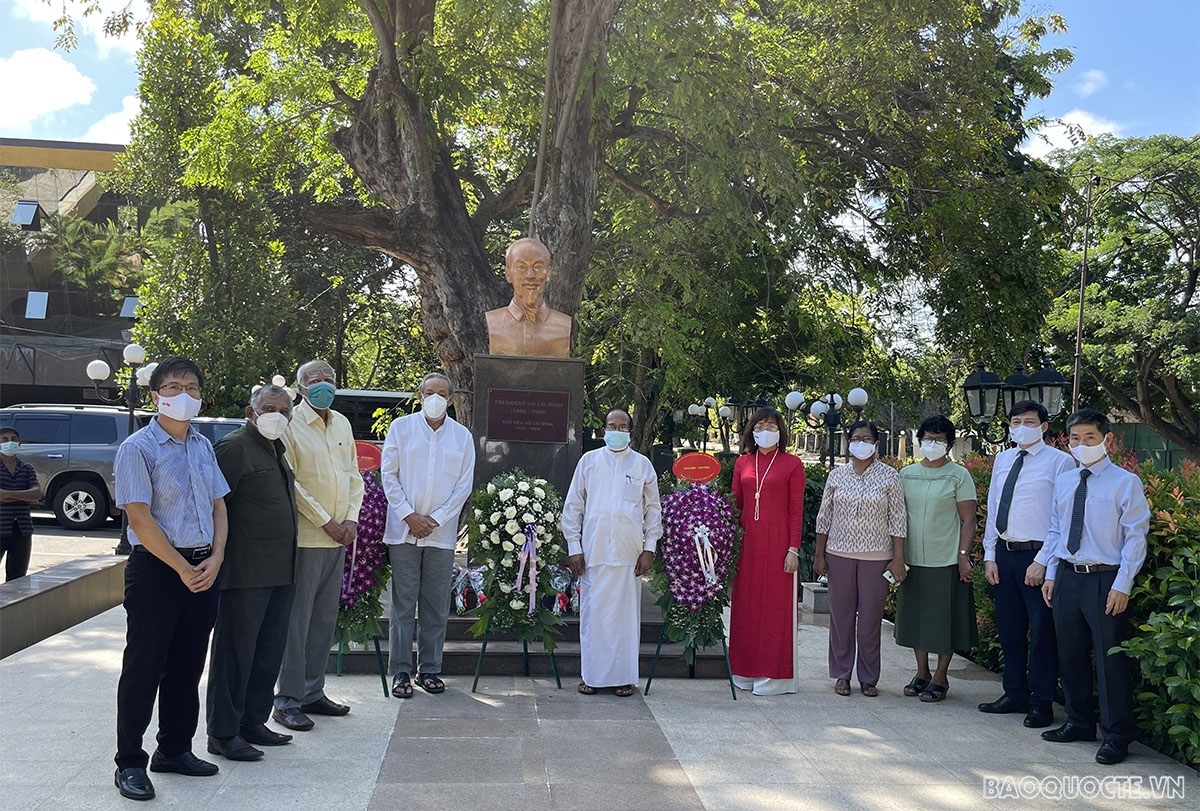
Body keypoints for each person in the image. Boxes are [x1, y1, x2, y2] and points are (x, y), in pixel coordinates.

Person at [112, 357, 230, 801]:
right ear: (156, 394)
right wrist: (181, 567)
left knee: (187, 663)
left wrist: (216, 557)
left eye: (193, 387)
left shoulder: (202, 445)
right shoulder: (137, 448)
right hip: (159, 570)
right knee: (144, 666)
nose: (184, 394)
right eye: (174, 386)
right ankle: (129, 763)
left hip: (204, 567)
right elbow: (140, 519)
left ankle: (175, 749)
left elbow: (219, 505)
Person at [1026, 408, 1150, 765]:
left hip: (1104, 578)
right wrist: (1050, 574)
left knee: (1110, 659)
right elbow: (1055, 529)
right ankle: (1079, 722)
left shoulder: (1125, 483)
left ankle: (1116, 735)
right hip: (1066, 575)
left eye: (1090, 438)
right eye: (1076, 439)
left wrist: (1122, 583)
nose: (1082, 445)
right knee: (1071, 654)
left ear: (1106, 440)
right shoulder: (1065, 480)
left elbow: (1135, 538)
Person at [207, 385, 299, 762]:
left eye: (283, 409)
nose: (276, 414)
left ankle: (252, 721)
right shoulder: (233, 448)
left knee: (267, 651)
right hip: (244, 571)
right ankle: (223, 732)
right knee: (235, 653)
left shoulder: (275, 447)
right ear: (251, 411)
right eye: (268, 407)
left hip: (280, 569)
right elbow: (214, 507)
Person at [273, 360, 364, 732]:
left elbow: (354, 475)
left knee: (324, 620)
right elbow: (291, 482)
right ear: (301, 387)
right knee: (297, 622)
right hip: (308, 538)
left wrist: (352, 520)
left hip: (340, 537)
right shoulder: (290, 424)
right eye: (314, 380)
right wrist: (326, 522)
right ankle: (287, 699)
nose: (323, 384)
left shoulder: (340, 422)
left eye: (328, 378)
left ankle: (313, 691)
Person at [978, 400, 1074, 728]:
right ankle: (1014, 692)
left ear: (1044, 426)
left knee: (1043, 632)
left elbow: (1061, 516)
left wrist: (1043, 561)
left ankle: (1041, 701)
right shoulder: (1003, 459)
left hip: (1038, 558)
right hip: (1005, 554)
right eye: (1015, 421)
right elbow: (994, 508)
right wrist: (990, 555)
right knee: (1010, 629)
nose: (1021, 427)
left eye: (1029, 421)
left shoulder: (1061, 463)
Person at [380, 372, 476, 698]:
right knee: (403, 605)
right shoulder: (401, 429)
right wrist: (409, 515)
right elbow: (389, 476)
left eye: (442, 393)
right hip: (402, 531)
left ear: (451, 399)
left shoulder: (462, 437)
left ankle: (430, 669)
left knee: (435, 606)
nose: (435, 397)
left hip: (441, 534)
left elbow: (463, 486)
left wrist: (434, 519)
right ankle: (401, 672)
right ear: (420, 396)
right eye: (429, 392)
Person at [562, 408, 662, 696]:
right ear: (602, 430)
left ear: (630, 432)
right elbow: (573, 506)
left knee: (625, 619)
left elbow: (653, 509)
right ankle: (591, 676)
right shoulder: (589, 462)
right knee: (594, 617)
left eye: (622, 427)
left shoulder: (642, 465)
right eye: (611, 426)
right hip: (593, 552)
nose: (616, 431)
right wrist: (574, 546)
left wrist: (649, 548)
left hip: (630, 555)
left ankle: (623, 678)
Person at [814, 421, 907, 697]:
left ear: (876, 444)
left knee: (869, 620)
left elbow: (898, 519)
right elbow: (824, 517)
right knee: (840, 618)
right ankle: (842, 674)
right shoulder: (837, 476)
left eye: (867, 439)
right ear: (848, 442)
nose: (861, 443)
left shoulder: (890, 476)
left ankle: (868, 677)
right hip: (838, 553)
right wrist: (819, 555)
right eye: (856, 438)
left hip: (877, 557)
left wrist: (898, 558)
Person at [894, 415, 978, 703]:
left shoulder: (959, 475)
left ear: (950, 443)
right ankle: (922, 672)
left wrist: (963, 556)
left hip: (946, 560)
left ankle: (941, 676)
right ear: (920, 441)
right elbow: (896, 517)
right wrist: (896, 556)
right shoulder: (906, 475)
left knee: (944, 620)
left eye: (940, 440)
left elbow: (969, 520)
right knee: (916, 619)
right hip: (912, 559)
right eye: (928, 438)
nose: (933, 444)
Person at [728, 407, 806, 696]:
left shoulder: (792, 464)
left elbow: (796, 511)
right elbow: (735, 506)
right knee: (746, 607)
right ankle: (744, 670)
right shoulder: (742, 463)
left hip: (778, 545)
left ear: (780, 432)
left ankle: (775, 675)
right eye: (760, 425)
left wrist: (793, 550)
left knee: (774, 608)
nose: (766, 430)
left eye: (772, 426)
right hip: (747, 545)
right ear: (752, 431)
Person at [484, 237, 573, 357]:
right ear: (508, 274)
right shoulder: (494, 322)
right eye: (521, 267)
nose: (530, 275)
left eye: (538, 267)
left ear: (548, 273)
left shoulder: (563, 324)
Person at [0, 427, 41, 582]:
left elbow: (37, 494)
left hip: (22, 529)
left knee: (18, 577)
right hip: (1, 525)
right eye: (4, 440)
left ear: (19, 443)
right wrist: (24, 496)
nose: (9, 443)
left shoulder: (26, 468)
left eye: (13, 439)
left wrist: (7, 494)